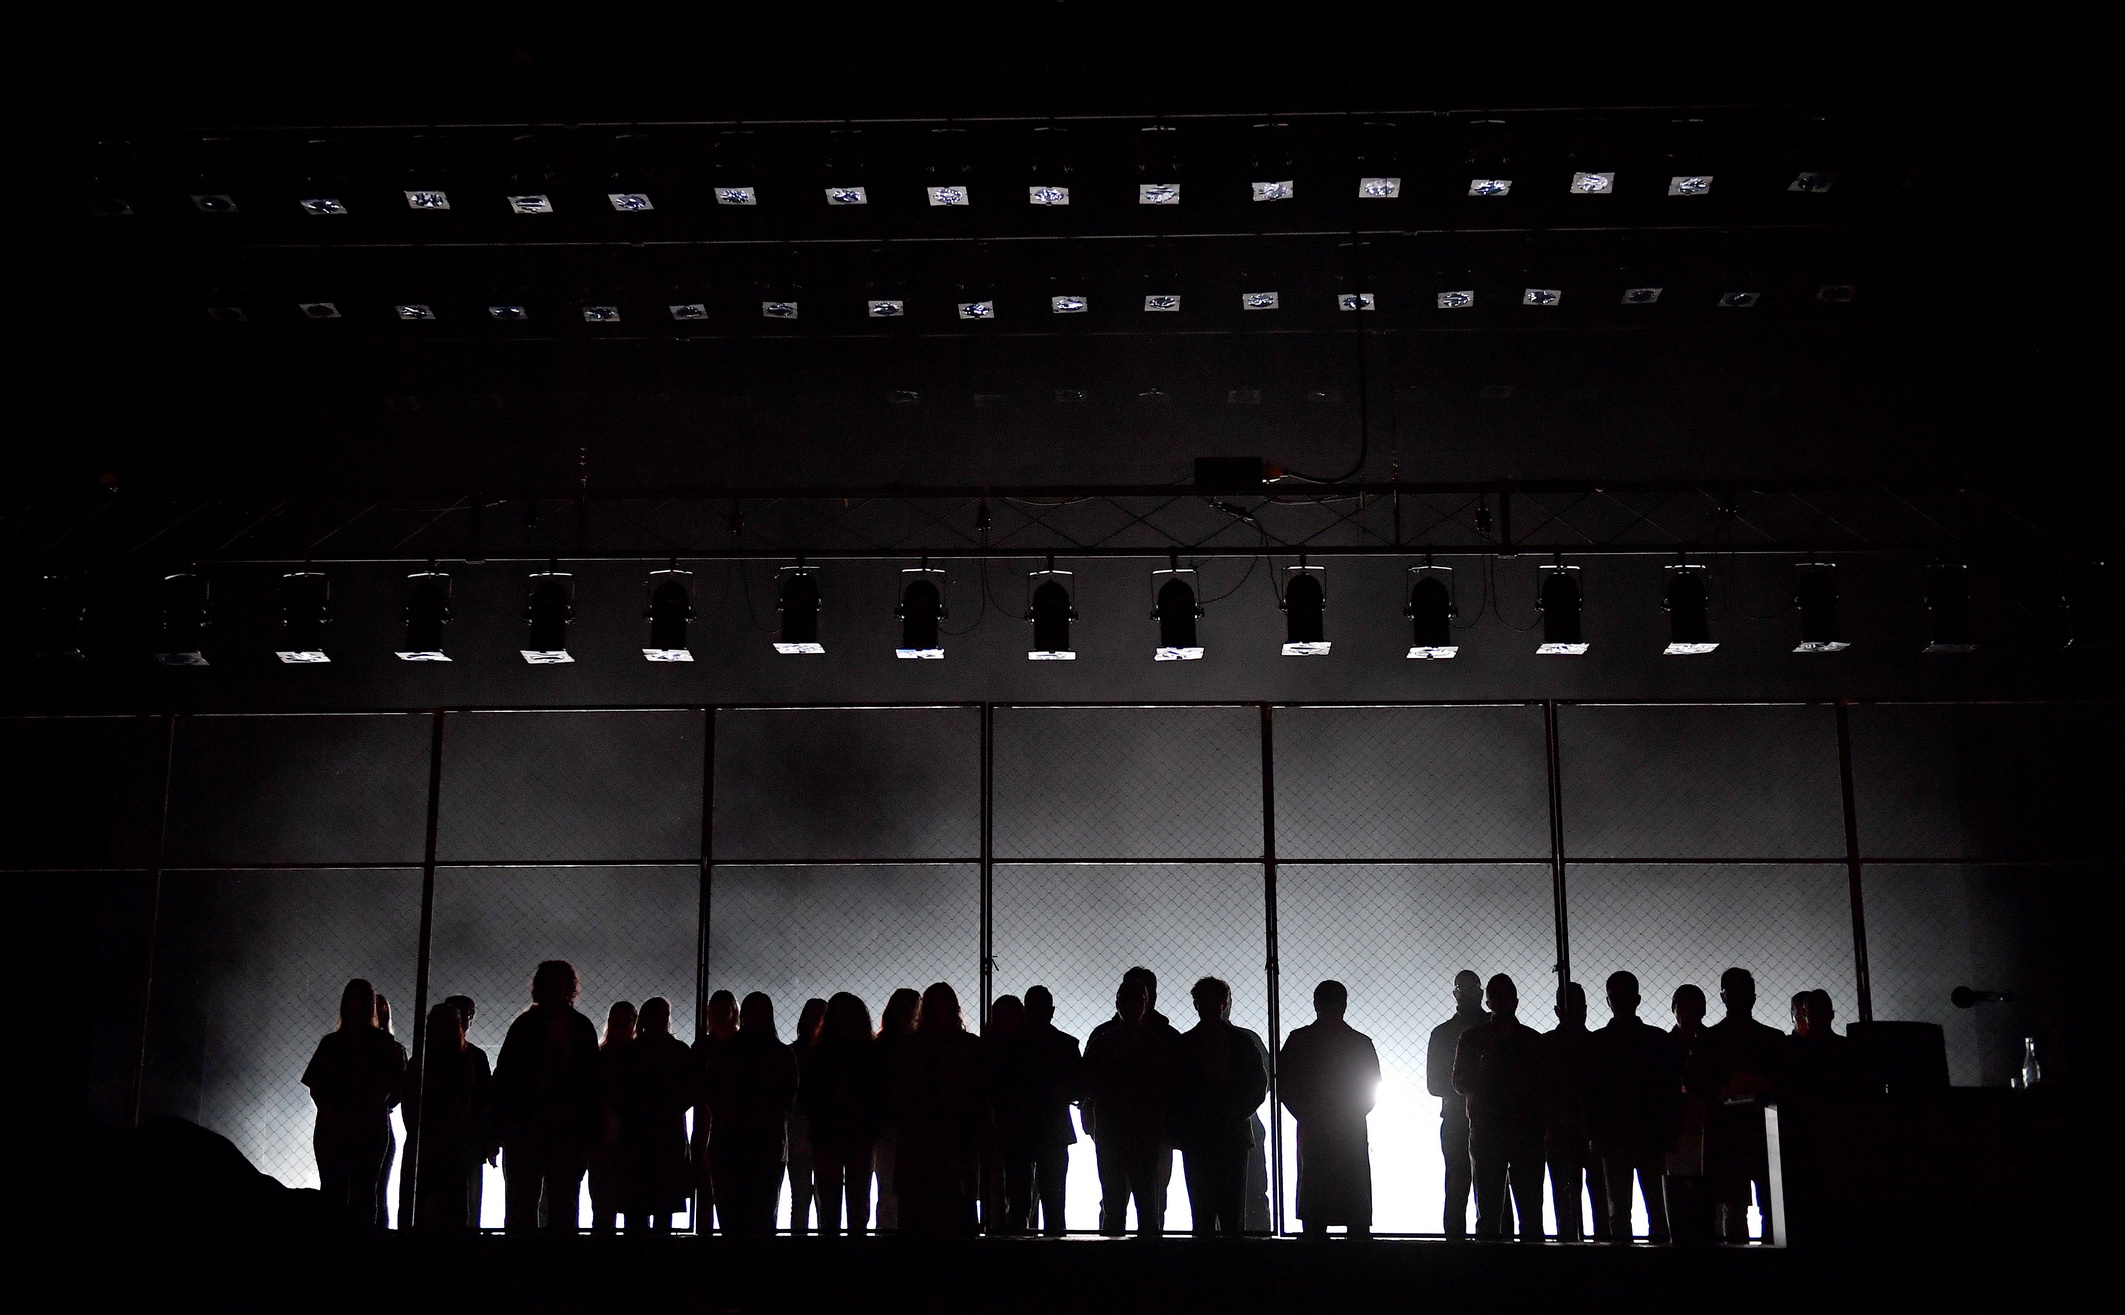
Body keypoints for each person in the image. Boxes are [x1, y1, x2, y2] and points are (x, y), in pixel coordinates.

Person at [492, 960, 601, 1232]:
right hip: (562, 1128)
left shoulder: (525, 1025)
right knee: (562, 1203)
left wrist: (500, 1125)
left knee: (522, 1202)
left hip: (530, 1127)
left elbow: (505, 1077)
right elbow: (592, 1084)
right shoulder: (579, 1026)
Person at [302, 978, 406, 1226]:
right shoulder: (384, 1044)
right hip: (367, 1129)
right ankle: (362, 1243)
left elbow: (316, 1087)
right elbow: (389, 1089)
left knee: (339, 1193)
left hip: (336, 1128)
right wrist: (360, 1117)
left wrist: (335, 1118)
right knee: (363, 1194)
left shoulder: (332, 1043)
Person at [1279, 980, 1379, 1238]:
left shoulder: (1299, 1040)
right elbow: (1370, 1091)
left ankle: (1315, 1251)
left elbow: (1285, 1087)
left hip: (1314, 1129)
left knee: (1315, 1196)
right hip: (1350, 1130)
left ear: (1316, 1004)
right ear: (1344, 1005)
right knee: (1354, 1196)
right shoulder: (1360, 1043)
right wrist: (1350, 1115)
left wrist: (1308, 1115)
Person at [1084, 976, 1181, 1237]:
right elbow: (1170, 1087)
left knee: (1115, 1201)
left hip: (1114, 1129)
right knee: (1148, 1202)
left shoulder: (1103, 1041)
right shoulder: (1159, 1042)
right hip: (1146, 1130)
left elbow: (1088, 1085)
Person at [1173, 977, 1268, 1239]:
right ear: (1226, 1004)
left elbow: (1173, 1090)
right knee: (1232, 1215)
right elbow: (1258, 1087)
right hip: (1233, 1135)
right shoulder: (1243, 1042)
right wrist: (1235, 1113)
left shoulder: (1184, 1044)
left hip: (1197, 1136)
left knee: (1201, 1213)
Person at [1453, 973, 1544, 1242]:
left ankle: (1489, 1263)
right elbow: (1545, 1087)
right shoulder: (1532, 1040)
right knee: (1530, 1213)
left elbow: (1459, 1084)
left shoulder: (1472, 1038)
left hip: (1488, 1130)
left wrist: (1484, 1073)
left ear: (1487, 1002)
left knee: (1489, 1212)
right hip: (1525, 1131)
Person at [1588, 971, 1675, 1244]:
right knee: (1657, 1210)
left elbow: (1592, 1095)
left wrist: (1595, 1134)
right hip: (1648, 1135)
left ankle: (1622, 1264)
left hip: (1616, 1136)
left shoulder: (1598, 1043)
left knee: (1620, 1213)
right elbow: (1668, 1090)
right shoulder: (1657, 1040)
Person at [986, 984, 1081, 1235]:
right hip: (1053, 1129)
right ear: (1052, 1011)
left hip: (1018, 1129)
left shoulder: (1009, 1046)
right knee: (1053, 1201)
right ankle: (1054, 1246)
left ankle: (1019, 1245)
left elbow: (997, 1087)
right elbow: (1078, 1089)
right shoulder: (1066, 1045)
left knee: (1018, 1199)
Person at [892, 983, 986, 1235]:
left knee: (918, 1209)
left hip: (919, 1137)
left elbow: (900, 1093)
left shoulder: (910, 1047)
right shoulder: (969, 1046)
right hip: (956, 1135)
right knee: (958, 1205)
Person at [703, 992, 798, 1236]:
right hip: (765, 1140)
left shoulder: (725, 1051)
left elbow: (710, 1091)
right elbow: (787, 1094)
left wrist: (730, 1113)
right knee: (762, 1212)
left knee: (731, 1211)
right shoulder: (780, 1053)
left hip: (731, 1139)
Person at [1706, 968, 1787, 1244]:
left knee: (1735, 1211)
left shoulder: (1710, 1040)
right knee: (1769, 1208)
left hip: (1731, 1136)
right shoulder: (1772, 1039)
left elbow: (1701, 1085)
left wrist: (1727, 1089)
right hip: (1763, 1134)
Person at [801, 992, 880, 1235]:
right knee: (858, 1198)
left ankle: (830, 1244)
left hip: (828, 1132)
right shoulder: (870, 1052)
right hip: (858, 1131)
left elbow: (807, 1095)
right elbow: (878, 1093)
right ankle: (856, 1243)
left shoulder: (819, 1053)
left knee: (829, 1198)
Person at [409, 999, 490, 1230]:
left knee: (424, 1202)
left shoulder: (421, 1061)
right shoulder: (469, 1059)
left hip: (435, 1140)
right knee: (459, 1203)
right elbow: (477, 1100)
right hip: (459, 1141)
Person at [618, 996, 694, 1232]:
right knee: (663, 1207)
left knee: (636, 1209)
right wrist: (670, 1109)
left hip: (636, 1134)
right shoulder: (678, 1051)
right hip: (667, 1134)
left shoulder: (630, 1052)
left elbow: (618, 1093)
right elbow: (690, 1091)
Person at [1426, 970, 1488, 1238]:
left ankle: (1455, 1247)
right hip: (1486, 1118)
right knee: (1492, 1186)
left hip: (1457, 1118)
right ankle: (1500, 1244)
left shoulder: (1443, 1034)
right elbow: (1434, 1085)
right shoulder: (1494, 1030)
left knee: (1457, 1186)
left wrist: (1463, 1086)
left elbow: (1435, 1084)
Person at [1540, 982, 1603, 1242]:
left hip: (1559, 1133)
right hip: (1593, 1131)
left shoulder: (1545, 1045)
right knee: (1601, 1202)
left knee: (1566, 1203)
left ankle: (1570, 1250)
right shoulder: (1597, 1045)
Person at [1664, 984, 1719, 1246]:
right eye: (1683, 1009)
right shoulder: (1712, 1043)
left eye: (1693, 1010)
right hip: (1687, 1131)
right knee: (1698, 1207)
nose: (1687, 1015)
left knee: (1689, 1206)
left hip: (1689, 1131)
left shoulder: (1666, 1046)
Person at [442, 995, 498, 1228]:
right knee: (469, 1200)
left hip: (454, 1139)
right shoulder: (475, 1056)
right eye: (464, 1014)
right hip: (469, 1140)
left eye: (469, 1015)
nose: (466, 1019)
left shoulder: (427, 1055)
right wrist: (490, 1141)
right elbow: (485, 1101)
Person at [872, 987, 921, 1231]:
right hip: (908, 1127)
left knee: (889, 1190)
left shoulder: (880, 1046)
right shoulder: (920, 1047)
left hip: (889, 1126)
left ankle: (887, 1235)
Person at [589, 1001, 637, 1231]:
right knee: (623, 1205)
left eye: (626, 1019)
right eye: (619, 1019)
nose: (623, 1024)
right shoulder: (637, 1057)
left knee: (605, 1204)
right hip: (617, 1138)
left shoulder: (600, 1057)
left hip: (610, 1137)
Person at [978, 994, 1024, 1230]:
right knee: (1019, 1186)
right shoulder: (1026, 1049)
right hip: (1016, 1125)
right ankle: (1018, 1230)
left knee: (996, 1184)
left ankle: (994, 1228)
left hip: (994, 1124)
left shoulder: (984, 1049)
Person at [692, 990, 738, 1225]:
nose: (720, 1015)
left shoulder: (703, 1046)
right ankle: (710, 1231)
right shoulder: (738, 1045)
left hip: (721, 1121)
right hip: (713, 1121)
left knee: (715, 1183)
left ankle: (709, 1231)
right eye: (716, 1011)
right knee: (706, 1183)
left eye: (724, 1010)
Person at [786, 997, 827, 1233]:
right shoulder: (829, 1055)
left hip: (803, 1133)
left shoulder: (793, 1053)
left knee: (802, 1198)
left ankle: (799, 1241)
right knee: (814, 1197)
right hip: (810, 1134)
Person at [1784, 990, 1858, 1100]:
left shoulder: (1793, 1049)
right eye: (1813, 1010)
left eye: (1821, 1010)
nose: (1817, 1015)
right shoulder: (1847, 1048)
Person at [373, 993, 401, 1227]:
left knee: (376, 1190)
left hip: (376, 1124)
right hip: (378, 1123)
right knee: (376, 1191)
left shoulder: (336, 1043)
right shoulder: (392, 1048)